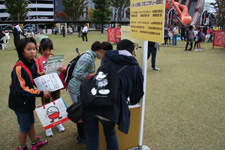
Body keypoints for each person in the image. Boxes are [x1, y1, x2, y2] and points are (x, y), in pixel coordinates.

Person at [83, 39, 144, 150]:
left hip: (91, 101)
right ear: (132, 51)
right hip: (111, 107)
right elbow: (136, 95)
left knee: (92, 139)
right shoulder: (135, 67)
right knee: (110, 135)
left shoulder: (107, 56)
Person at [67, 41, 113, 144]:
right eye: (106, 54)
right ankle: (81, 137)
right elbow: (77, 74)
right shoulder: (88, 58)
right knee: (79, 112)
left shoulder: (91, 56)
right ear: (102, 51)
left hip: (81, 88)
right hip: (76, 89)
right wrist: (94, 74)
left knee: (83, 111)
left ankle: (83, 133)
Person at [8, 38, 49, 150]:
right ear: (21, 51)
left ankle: (35, 143)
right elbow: (22, 89)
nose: (32, 52)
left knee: (30, 123)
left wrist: (46, 81)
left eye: (34, 49)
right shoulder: (19, 68)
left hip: (28, 101)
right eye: (29, 49)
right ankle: (22, 147)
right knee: (24, 127)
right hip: (20, 103)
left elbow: (35, 77)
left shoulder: (32, 63)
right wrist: (41, 93)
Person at [35, 38, 66, 137]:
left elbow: (64, 69)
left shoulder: (55, 59)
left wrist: (63, 69)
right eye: (45, 50)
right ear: (41, 50)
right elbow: (36, 74)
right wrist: (42, 73)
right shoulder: (38, 60)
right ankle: (48, 126)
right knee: (46, 105)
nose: (48, 52)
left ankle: (57, 122)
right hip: (44, 88)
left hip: (55, 86)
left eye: (50, 50)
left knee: (56, 103)